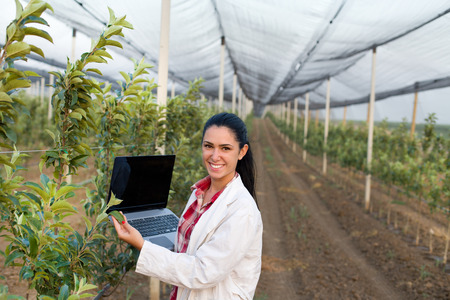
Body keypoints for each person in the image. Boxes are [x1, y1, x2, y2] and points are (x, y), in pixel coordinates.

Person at [112, 112, 263, 300]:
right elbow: (188, 248)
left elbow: (203, 272)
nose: (215, 156)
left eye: (225, 148)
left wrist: (143, 245)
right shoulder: (199, 193)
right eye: (209, 146)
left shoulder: (243, 211)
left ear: (242, 151)